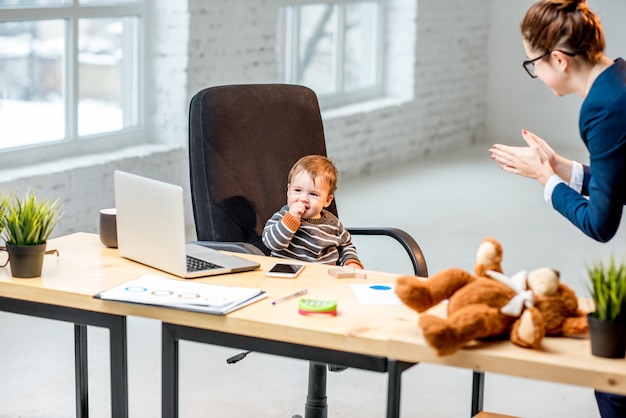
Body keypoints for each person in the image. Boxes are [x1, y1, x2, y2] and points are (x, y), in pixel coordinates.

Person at [488, 1, 626, 416]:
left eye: (534, 64)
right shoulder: (620, 79)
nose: (536, 73)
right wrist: (561, 168)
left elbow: (600, 223)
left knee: (614, 384)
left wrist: (543, 180)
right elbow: (618, 176)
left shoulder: (603, 109)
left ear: (559, 60)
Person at [262, 155, 363, 269]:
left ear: (327, 200)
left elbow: (345, 245)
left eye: (313, 194)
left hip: (324, 277)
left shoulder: (333, 224)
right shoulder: (282, 217)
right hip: (288, 276)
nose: (303, 198)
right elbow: (272, 244)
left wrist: (351, 261)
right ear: (288, 191)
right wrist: (291, 219)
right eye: (298, 190)